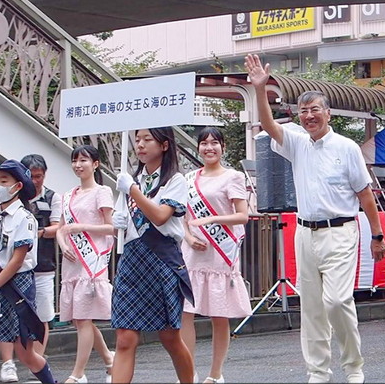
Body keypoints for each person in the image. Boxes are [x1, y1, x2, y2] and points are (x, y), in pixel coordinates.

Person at [245, 53, 385, 384]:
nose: (309, 116)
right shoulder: (296, 143)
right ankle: (318, 373)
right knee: (311, 309)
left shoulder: (347, 147)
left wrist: (377, 236)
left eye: (315, 110)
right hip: (305, 233)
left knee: (337, 301)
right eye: (304, 111)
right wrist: (259, 90)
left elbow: (365, 194)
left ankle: (353, 367)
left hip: (340, 231)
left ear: (328, 114)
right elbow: (268, 126)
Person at [111, 127, 195, 384]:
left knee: (169, 336)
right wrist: (118, 221)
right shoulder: (131, 179)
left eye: (148, 139)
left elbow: (160, 216)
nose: (140, 145)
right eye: (137, 139)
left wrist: (132, 190)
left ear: (165, 145)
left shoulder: (175, 180)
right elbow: (123, 225)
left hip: (161, 261)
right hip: (132, 261)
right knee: (125, 337)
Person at [0, 159, 56, 384]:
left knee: (25, 353)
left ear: (17, 186)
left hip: (17, 286)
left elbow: (18, 260)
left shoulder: (25, 218)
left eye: (3, 181)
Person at [181, 127, 252, 384]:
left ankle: (215, 374)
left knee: (218, 314)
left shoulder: (232, 177)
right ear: (198, 147)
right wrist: (189, 237)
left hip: (221, 252)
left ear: (223, 147)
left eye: (215, 143)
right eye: (204, 143)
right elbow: (184, 217)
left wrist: (212, 219)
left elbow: (242, 215)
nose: (209, 148)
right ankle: (188, 373)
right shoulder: (188, 178)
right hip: (193, 252)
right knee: (185, 311)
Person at [56, 145, 115, 384]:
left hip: (92, 260)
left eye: (83, 160)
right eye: (75, 160)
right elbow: (61, 227)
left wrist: (81, 228)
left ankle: (78, 374)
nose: (78, 165)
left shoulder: (102, 192)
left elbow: (111, 227)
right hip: (72, 260)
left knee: (83, 318)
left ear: (95, 164)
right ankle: (110, 361)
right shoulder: (68, 195)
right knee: (79, 318)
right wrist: (62, 243)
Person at [21, 154, 62, 360]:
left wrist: (39, 232)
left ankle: (38, 360)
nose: (36, 181)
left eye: (40, 176)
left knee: (43, 314)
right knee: (16, 313)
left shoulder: (53, 197)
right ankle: (12, 361)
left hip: (44, 264)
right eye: (32, 176)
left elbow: (57, 227)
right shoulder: (16, 196)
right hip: (17, 266)